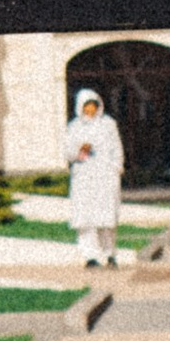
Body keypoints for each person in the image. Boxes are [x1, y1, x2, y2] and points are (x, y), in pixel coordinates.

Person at [65, 85, 125, 265]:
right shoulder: (74, 127)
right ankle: (89, 256)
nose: (90, 109)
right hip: (84, 176)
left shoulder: (108, 124)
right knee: (86, 220)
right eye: (86, 105)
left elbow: (116, 148)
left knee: (106, 218)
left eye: (93, 105)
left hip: (105, 175)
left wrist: (116, 168)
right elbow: (67, 152)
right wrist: (79, 150)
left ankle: (110, 254)